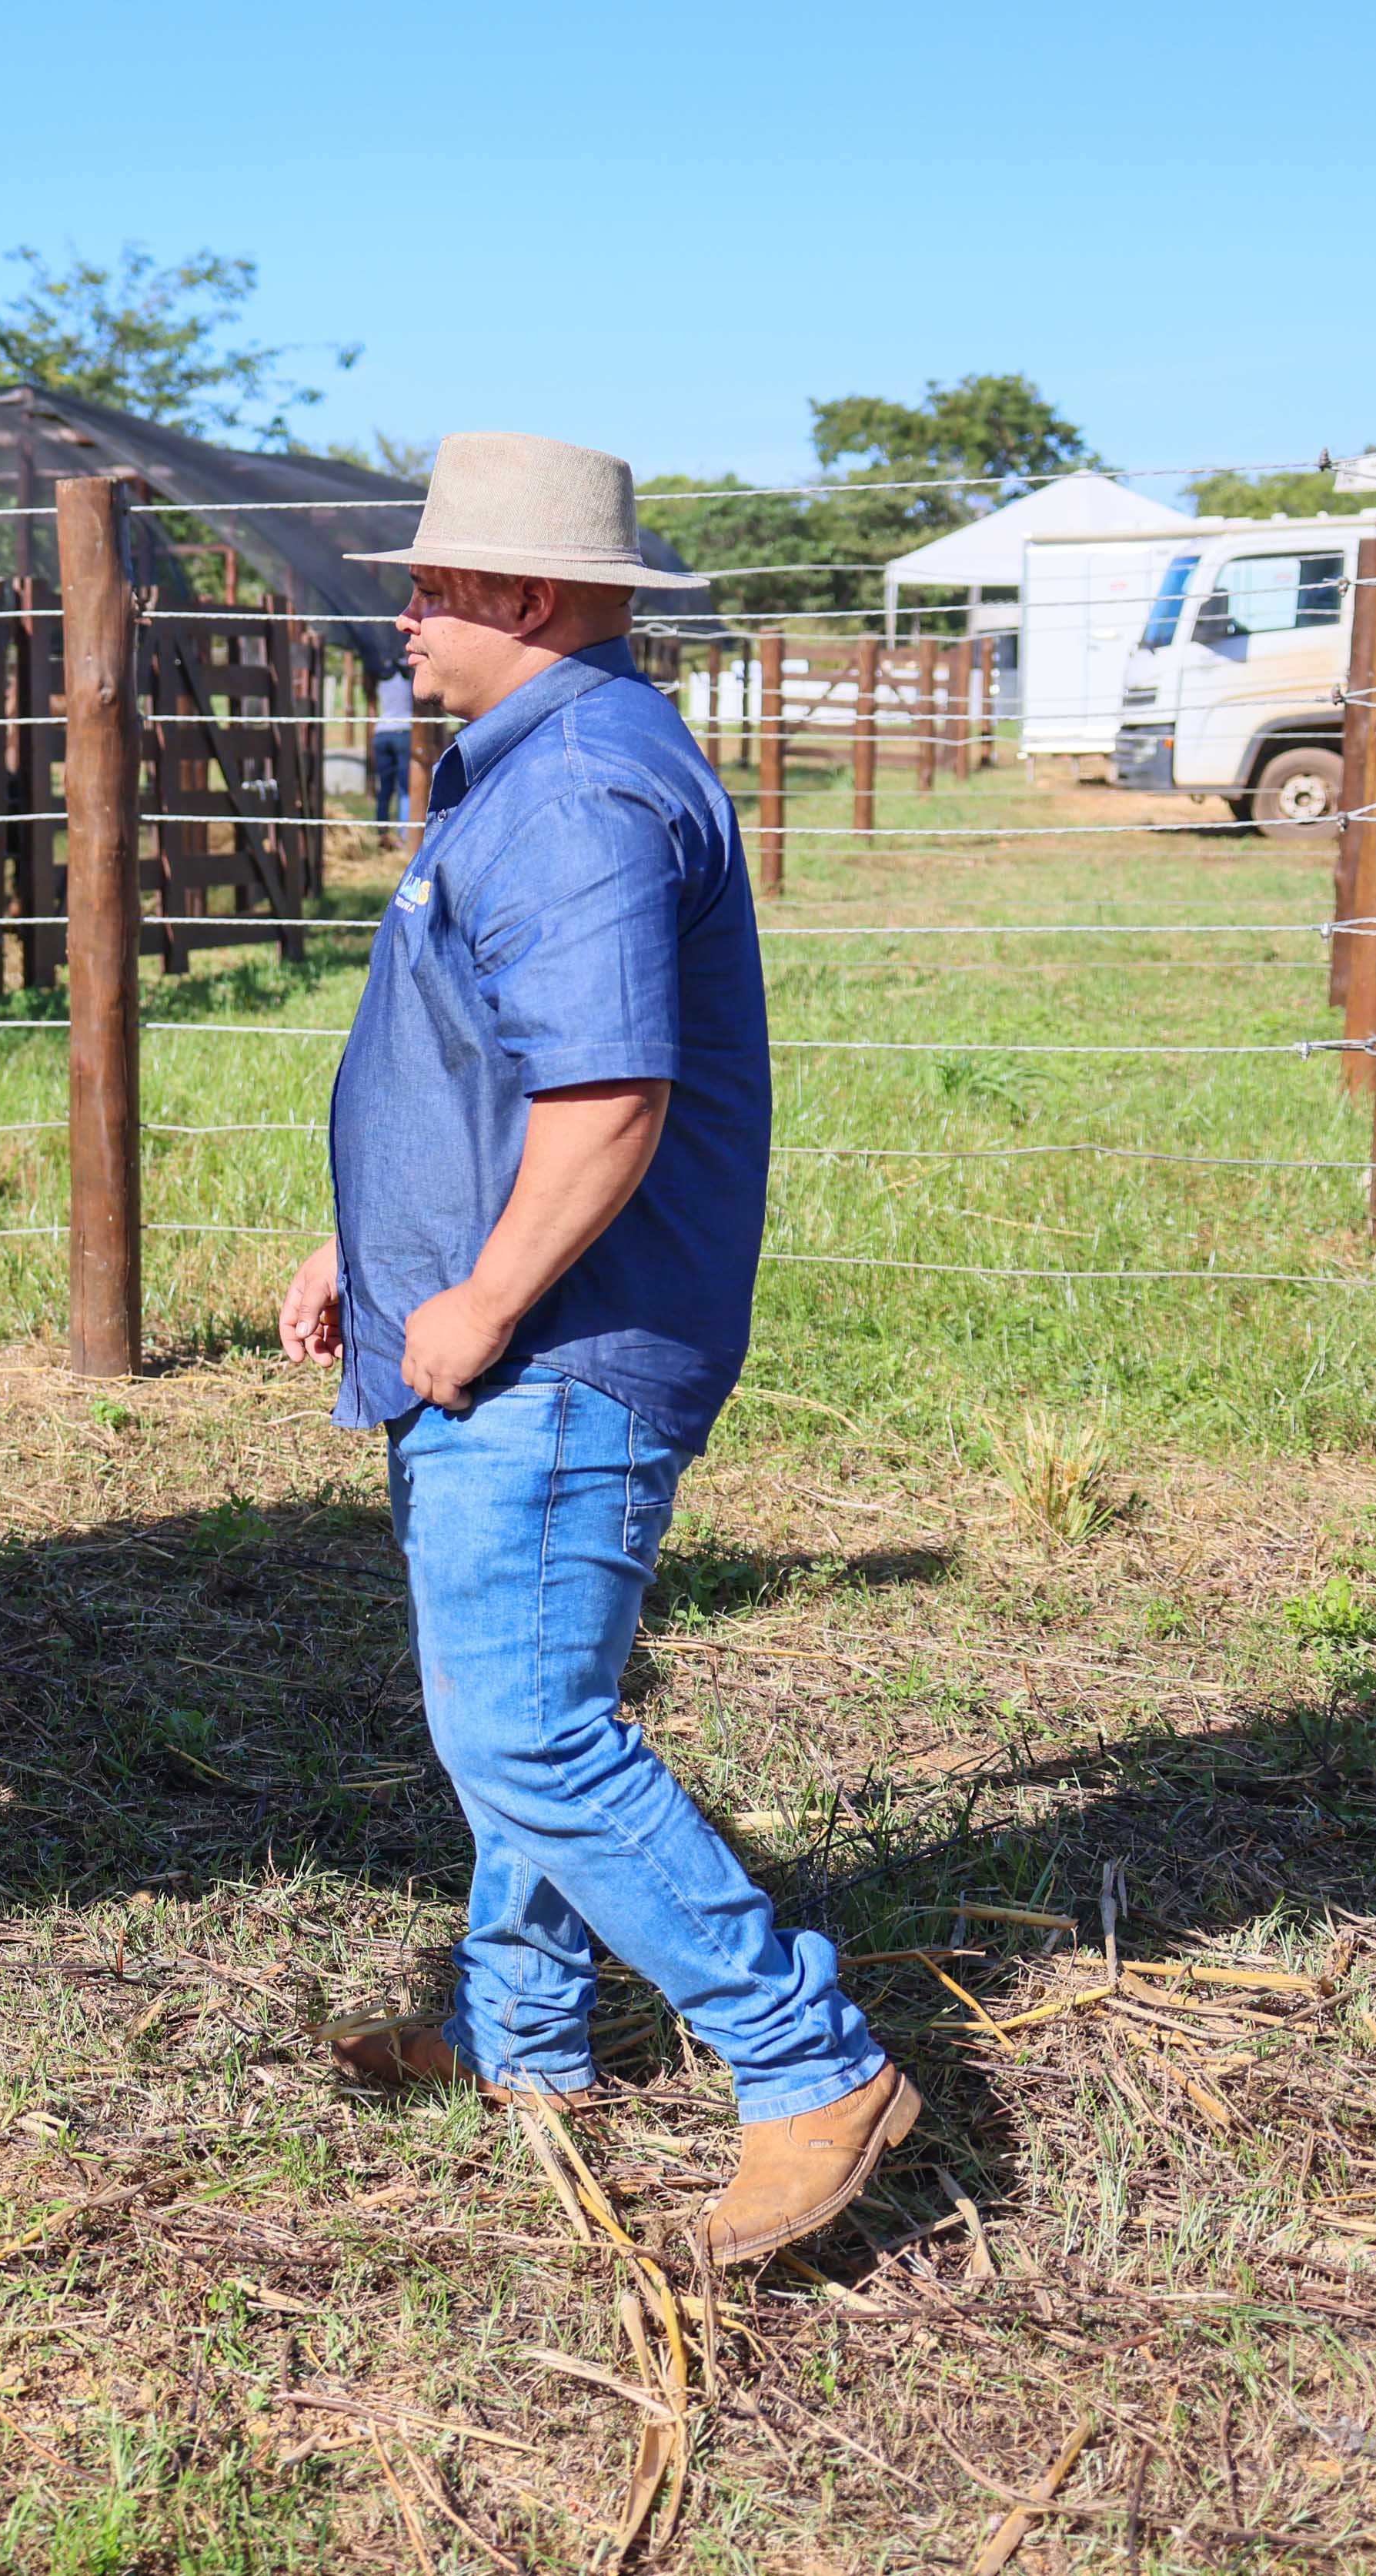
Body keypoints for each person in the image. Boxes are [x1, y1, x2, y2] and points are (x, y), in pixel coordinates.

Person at [280, 434, 911, 2267]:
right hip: (516, 1326)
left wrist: (474, 1303)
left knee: (531, 1728)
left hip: (560, 1346)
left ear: (529, 599)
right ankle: (526, 2037)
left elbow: (611, 1094)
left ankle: (810, 2059)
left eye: (429, 586)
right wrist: (377, 1240)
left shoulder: (568, 796)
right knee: (513, 1717)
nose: (400, 619)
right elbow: (492, 1061)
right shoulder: (540, 770)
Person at [369, 662, 416, 827]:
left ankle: (381, 829)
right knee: (405, 788)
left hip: (382, 732)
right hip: (404, 731)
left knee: (385, 787)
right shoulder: (410, 678)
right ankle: (405, 833)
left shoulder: (382, 679)